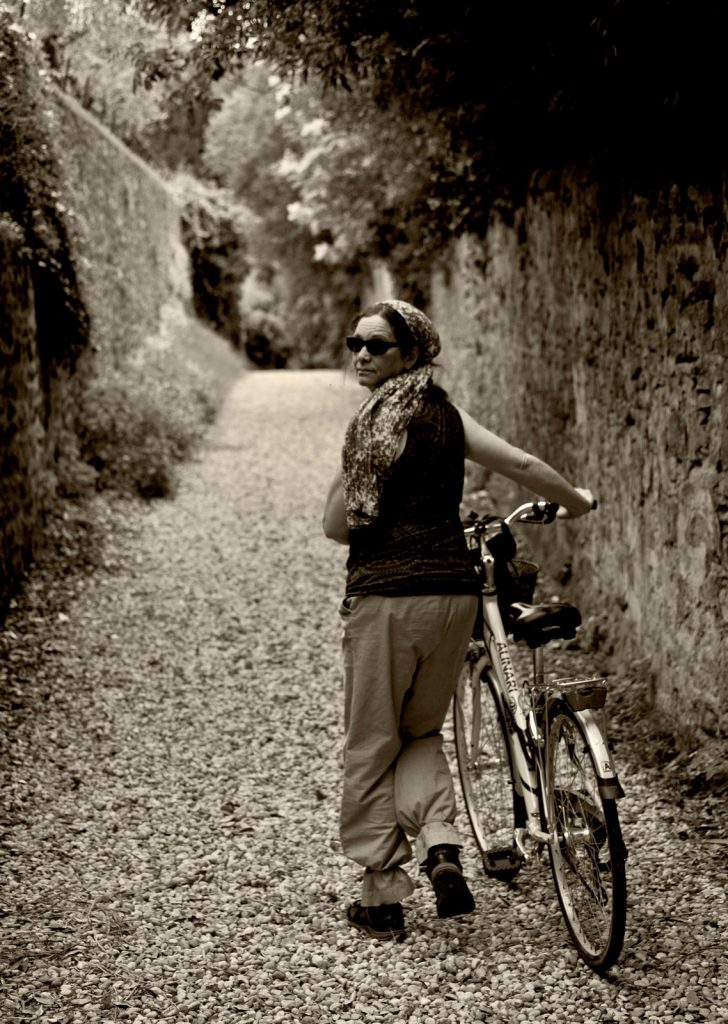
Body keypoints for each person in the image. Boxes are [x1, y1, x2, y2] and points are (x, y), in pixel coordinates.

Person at [323, 299, 594, 942]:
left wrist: (356, 476)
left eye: (376, 346)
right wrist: (576, 502)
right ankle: (441, 844)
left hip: (384, 602)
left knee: (372, 740)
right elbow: (521, 465)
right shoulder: (446, 415)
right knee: (420, 732)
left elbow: (336, 526)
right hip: (453, 599)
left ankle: (382, 895)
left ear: (411, 353)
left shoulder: (369, 427)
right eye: (355, 344)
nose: (361, 355)